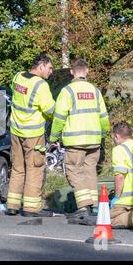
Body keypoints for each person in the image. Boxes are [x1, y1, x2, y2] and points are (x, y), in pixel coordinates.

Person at [49, 58, 109, 220]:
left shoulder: (67, 91)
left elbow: (59, 117)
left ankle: (83, 207)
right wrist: (104, 134)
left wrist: (53, 137)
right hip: (94, 140)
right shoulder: (95, 91)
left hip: (75, 141)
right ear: (87, 71)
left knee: (74, 171)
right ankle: (94, 207)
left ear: (71, 71)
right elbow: (104, 116)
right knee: (90, 171)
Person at [6, 54, 55, 217]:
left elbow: (17, 97)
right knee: (35, 168)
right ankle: (31, 208)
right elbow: (50, 110)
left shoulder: (17, 77)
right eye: (49, 68)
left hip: (15, 131)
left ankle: (12, 205)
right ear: (41, 67)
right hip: (33, 134)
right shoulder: (41, 85)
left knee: (18, 168)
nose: (51, 72)